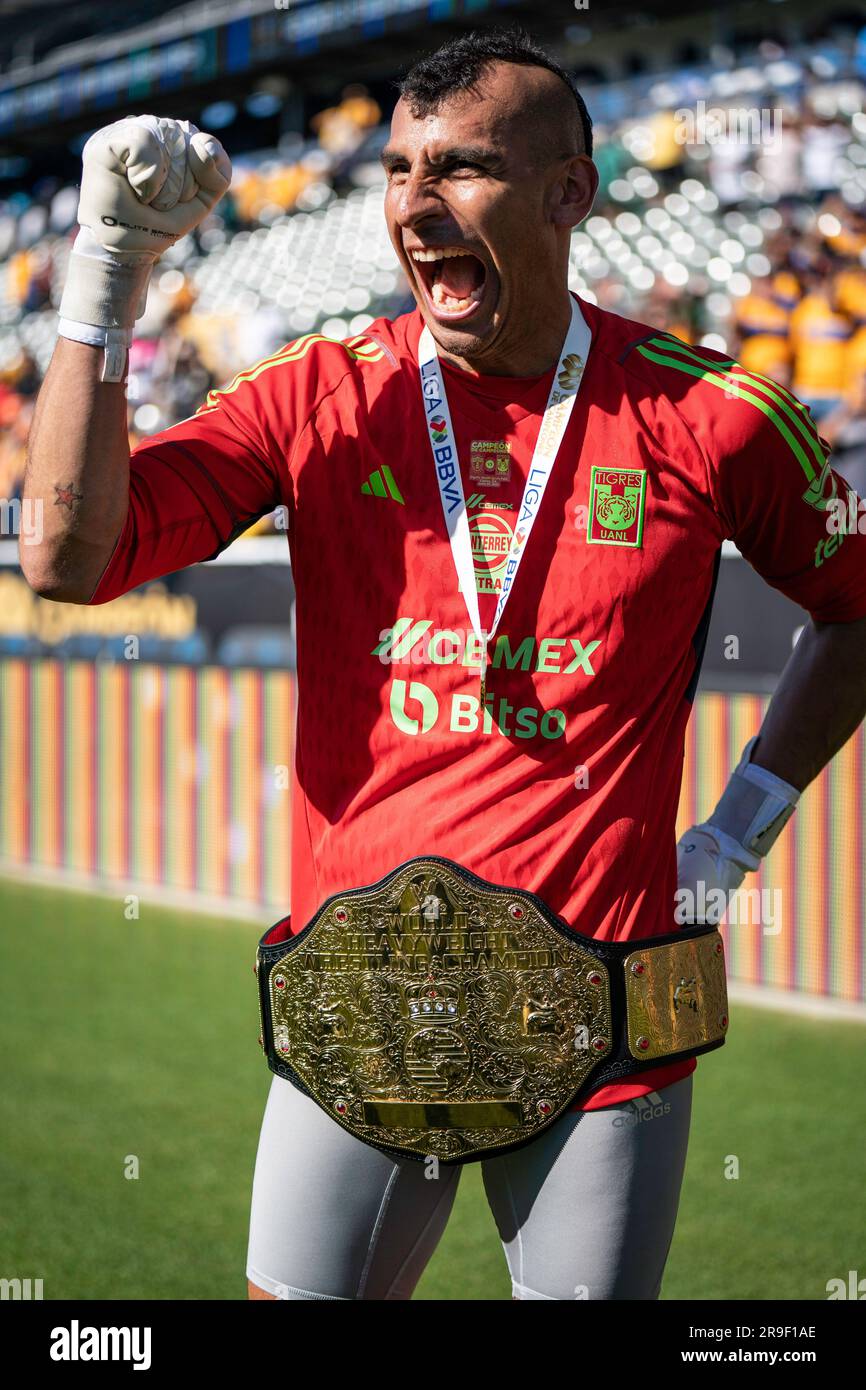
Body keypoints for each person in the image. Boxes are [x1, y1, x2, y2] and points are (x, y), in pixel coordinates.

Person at [20, 29, 866, 1302]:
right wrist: (105, 278)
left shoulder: (713, 414)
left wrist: (736, 833)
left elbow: (854, 607)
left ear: (568, 193)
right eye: (401, 171)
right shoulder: (319, 393)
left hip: (606, 1026)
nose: (415, 207)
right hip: (353, 1019)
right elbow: (66, 560)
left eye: (462, 169)